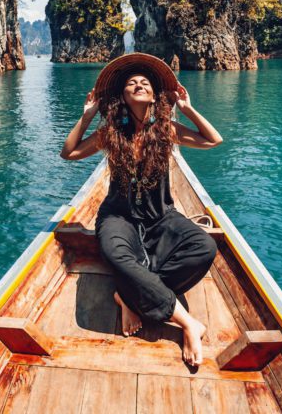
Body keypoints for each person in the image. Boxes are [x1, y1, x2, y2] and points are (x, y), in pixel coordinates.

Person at [60, 52, 223, 367]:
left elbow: (213, 139)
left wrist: (188, 109)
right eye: (131, 83)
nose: (138, 84)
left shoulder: (168, 130)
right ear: (122, 95)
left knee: (204, 247)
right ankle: (188, 322)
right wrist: (87, 116)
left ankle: (127, 294)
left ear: (153, 95)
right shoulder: (111, 133)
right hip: (118, 217)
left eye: (144, 82)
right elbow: (69, 153)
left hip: (161, 217)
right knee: (116, 252)